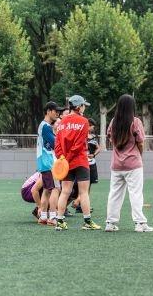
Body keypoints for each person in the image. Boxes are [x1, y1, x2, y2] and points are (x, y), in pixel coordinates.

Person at [104, 94, 153, 233]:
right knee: (136, 193)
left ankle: (110, 223)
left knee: (114, 194)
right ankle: (140, 223)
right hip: (133, 164)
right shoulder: (135, 121)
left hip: (116, 165)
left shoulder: (113, 122)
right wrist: (139, 155)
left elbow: (110, 138)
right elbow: (140, 142)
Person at [54, 95, 101, 230]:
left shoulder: (61, 122)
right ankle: (87, 222)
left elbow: (57, 144)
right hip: (80, 161)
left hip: (65, 162)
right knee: (83, 192)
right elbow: (80, 144)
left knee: (65, 192)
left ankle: (60, 222)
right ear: (78, 106)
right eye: (83, 105)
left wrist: (62, 159)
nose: (84, 107)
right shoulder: (84, 121)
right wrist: (68, 158)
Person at [36, 101, 64, 226]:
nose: (57, 113)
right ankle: (52, 217)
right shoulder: (46, 126)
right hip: (49, 162)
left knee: (47, 190)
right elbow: (55, 143)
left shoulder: (44, 126)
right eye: (55, 111)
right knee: (55, 188)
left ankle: (43, 217)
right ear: (48, 111)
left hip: (44, 162)